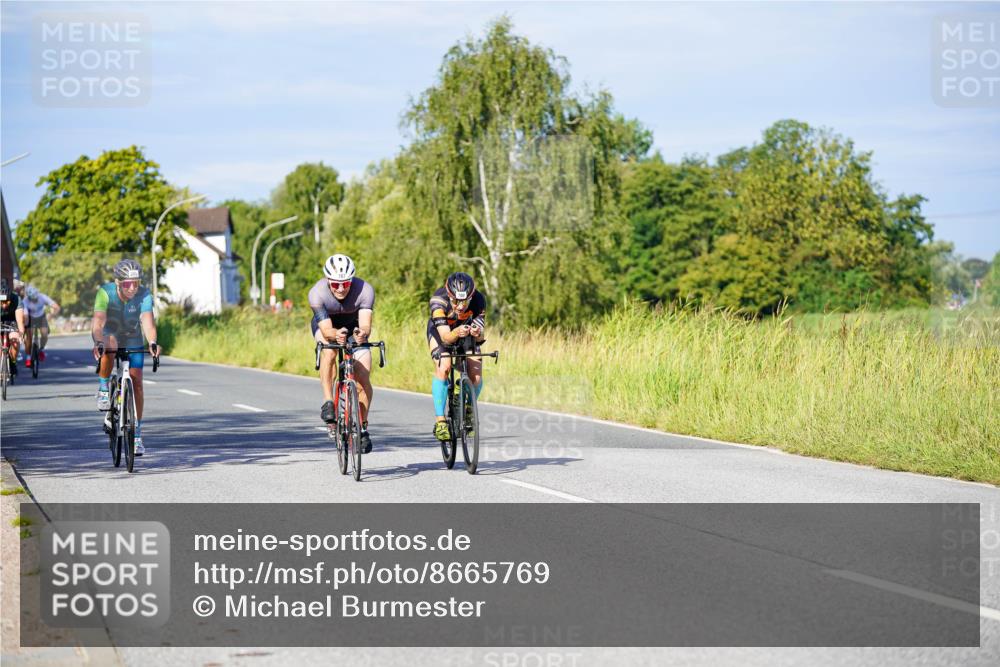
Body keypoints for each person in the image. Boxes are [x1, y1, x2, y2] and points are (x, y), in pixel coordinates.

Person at [91, 259, 160, 456]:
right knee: (110, 343)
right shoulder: (105, 292)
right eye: (127, 284)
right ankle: (104, 388)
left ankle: (137, 434)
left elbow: (147, 321)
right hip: (109, 334)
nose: (132, 288)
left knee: (137, 381)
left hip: (132, 337)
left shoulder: (144, 295)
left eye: (136, 283)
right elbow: (98, 322)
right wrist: (98, 342)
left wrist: (153, 342)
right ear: (118, 282)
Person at [308, 254, 376, 453]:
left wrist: (362, 334)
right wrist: (334, 335)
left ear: (351, 280)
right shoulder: (317, 293)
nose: (340, 288)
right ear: (328, 281)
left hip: (354, 326)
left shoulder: (365, 290)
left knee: (363, 377)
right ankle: (328, 402)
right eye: (335, 284)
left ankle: (362, 428)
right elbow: (327, 330)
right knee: (328, 353)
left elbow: (365, 324)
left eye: (345, 283)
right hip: (327, 326)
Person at [427, 272, 486, 441]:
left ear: (471, 296)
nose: (460, 306)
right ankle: (440, 422)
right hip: (442, 332)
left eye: (465, 301)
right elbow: (446, 338)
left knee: (475, 374)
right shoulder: (438, 301)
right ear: (449, 295)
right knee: (444, 366)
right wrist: (456, 332)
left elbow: (480, 337)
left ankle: (468, 409)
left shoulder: (479, 300)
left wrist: (477, 333)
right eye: (455, 301)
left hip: (465, 332)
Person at [23, 285, 61, 368]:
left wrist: (51, 315)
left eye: (36, 298)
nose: (35, 300)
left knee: (44, 334)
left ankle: (41, 349)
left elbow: (56, 307)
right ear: (29, 297)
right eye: (33, 299)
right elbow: (25, 316)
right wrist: (25, 327)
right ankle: (28, 357)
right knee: (29, 337)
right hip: (30, 318)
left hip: (41, 317)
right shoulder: (25, 301)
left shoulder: (42, 297)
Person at [0, 279, 27, 376]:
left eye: (6, 302)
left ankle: (12, 362)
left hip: (12, 321)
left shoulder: (16, 299)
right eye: (1, 302)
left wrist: (21, 335)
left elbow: (20, 321)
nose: (4, 305)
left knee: (15, 341)